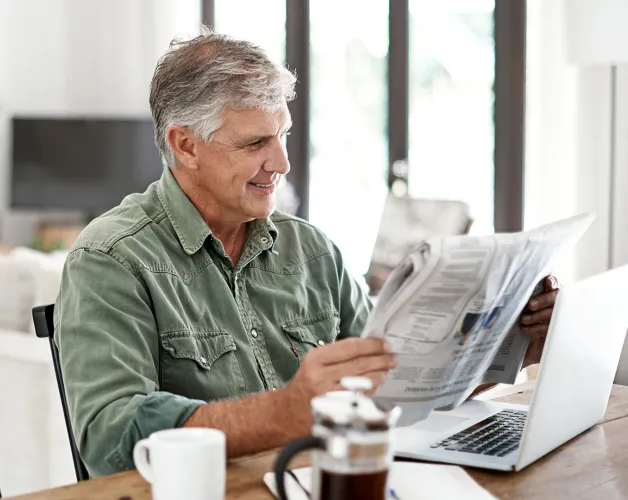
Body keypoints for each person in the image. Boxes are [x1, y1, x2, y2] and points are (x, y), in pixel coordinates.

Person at [55, 30, 559, 477]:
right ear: (185, 145)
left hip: (326, 480)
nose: (282, 161)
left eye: (284, 135)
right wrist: (287, 410)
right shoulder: (111, 259)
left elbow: (397, 389)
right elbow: (109, 438)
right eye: (256, 142)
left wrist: (511, 348)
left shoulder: (311, 249)